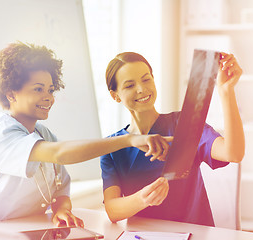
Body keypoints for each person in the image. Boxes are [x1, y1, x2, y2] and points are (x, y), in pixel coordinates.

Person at [0, 43, 172, 226]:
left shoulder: (44, 134)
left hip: (18, 230)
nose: (48, 97)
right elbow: (60, 154)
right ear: (11, 93)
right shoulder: (1, 134)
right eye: (38, 89)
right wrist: (129, 140)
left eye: (50, 89)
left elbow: (60, 190)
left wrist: (60, 209)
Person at [100, 51, 245, 226]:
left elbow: (233, 153)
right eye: (130, 85)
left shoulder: (184, 125)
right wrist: (143, 199)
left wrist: (226, 90)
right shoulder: (113, 147)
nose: (141, 89)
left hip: (195, 235)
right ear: (115, 95)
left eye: (146, 79)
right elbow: (112, 210)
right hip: (144, 236)